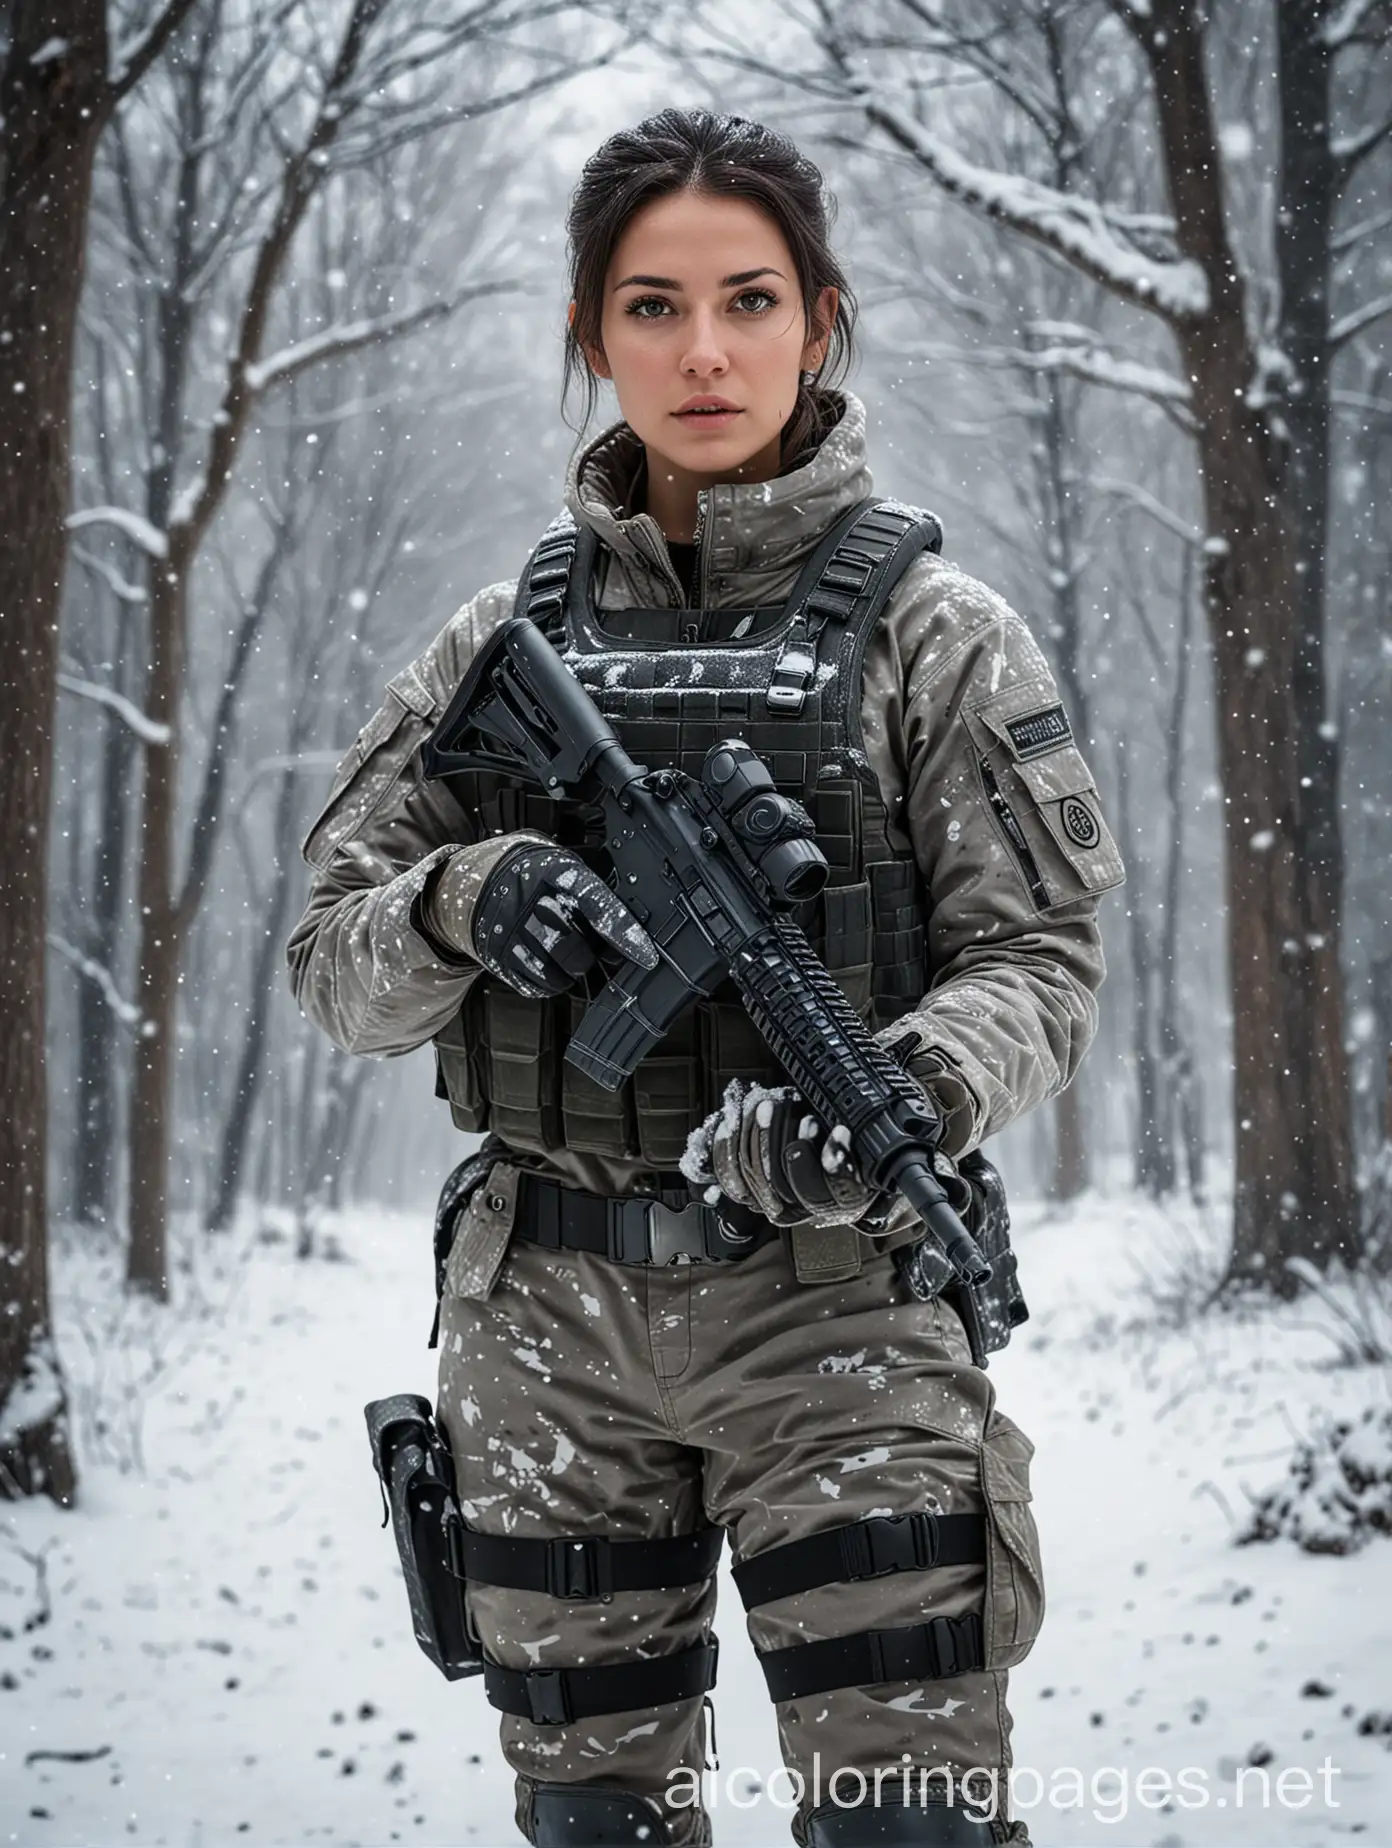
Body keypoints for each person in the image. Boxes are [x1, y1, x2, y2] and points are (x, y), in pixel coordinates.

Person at [287, 108, 1124, 1848]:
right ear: (593, 335)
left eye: (749, 300)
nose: (704, 349)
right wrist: (464, 895)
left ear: (822, 320)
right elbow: (333, 968)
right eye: (651, 307)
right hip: (549, 1329)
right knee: (598, 1825)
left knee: (914, 1825)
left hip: (841, 1312)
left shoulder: (935, 635)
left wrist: (911, 1090)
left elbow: (1037, 962)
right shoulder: (493, 645)